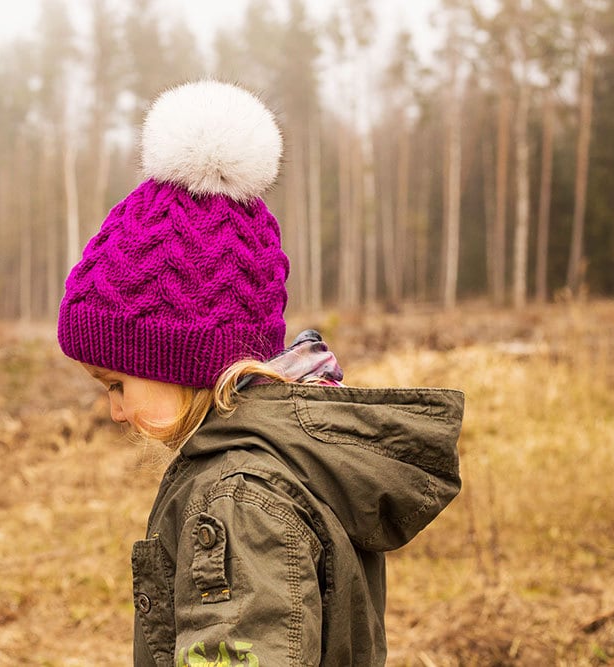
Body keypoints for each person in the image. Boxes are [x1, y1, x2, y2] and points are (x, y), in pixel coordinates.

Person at [57, 80, 464, 666]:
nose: (115, 410)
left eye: (118, 383)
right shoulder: (278, 463)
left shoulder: (242, 499)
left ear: (184, 362)